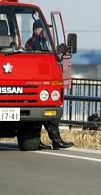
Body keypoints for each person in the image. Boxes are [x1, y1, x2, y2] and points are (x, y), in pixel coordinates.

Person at [25, 19, 73, 150]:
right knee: (47, 113)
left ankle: (50, 140)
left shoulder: (42, 42)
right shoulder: (33, 42)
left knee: (46, 114)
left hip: (43, 82)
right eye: (43, 29)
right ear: (37, 30)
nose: (46, 32)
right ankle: (55, 140)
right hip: (37, 82)